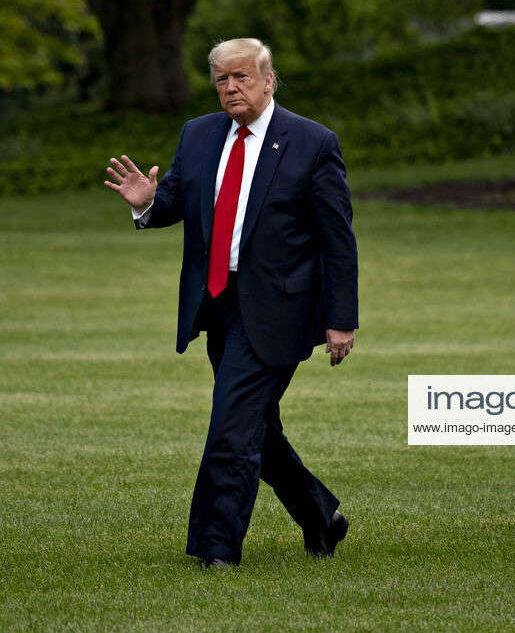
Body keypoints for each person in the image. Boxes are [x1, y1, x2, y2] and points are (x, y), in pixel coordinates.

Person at [102, 38, 358, 568]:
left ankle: (217, 549)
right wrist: (149, 203)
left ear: (269, 81)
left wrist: (341, 320)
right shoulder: (198, 134)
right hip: (216, 302)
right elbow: (177, 199)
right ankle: (320, 515)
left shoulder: (312, 142)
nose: (231, 87)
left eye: (242, 77)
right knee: (254, 426)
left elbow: (337, 239)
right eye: (222, 79)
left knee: (231, 426)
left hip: (279, 311)